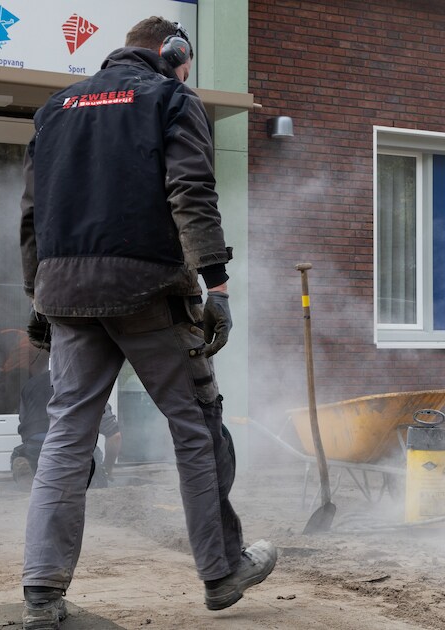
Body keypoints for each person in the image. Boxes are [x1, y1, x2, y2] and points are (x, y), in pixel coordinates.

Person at [18, 16, 275, 629]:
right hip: (147, 289)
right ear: (173, 51)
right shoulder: (169, 96)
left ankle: (41, 592)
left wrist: (38, 296)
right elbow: (191, 190)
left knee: (66, 436)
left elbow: (34, 213)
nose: (186, 73)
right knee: (196, 425)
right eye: (184, 64)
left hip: (66, 292)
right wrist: (216, 284)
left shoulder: (55, 108)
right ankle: (222, 571)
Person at [9, 366, 121, 491]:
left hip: (36, 446)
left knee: (22, 453)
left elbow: (24, 421)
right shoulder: (87, 384)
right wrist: (108, 468)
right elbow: (115, 437)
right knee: (95, 461)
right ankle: (94, 485)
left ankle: (32, 476)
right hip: (72, 447)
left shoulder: (32, 383)